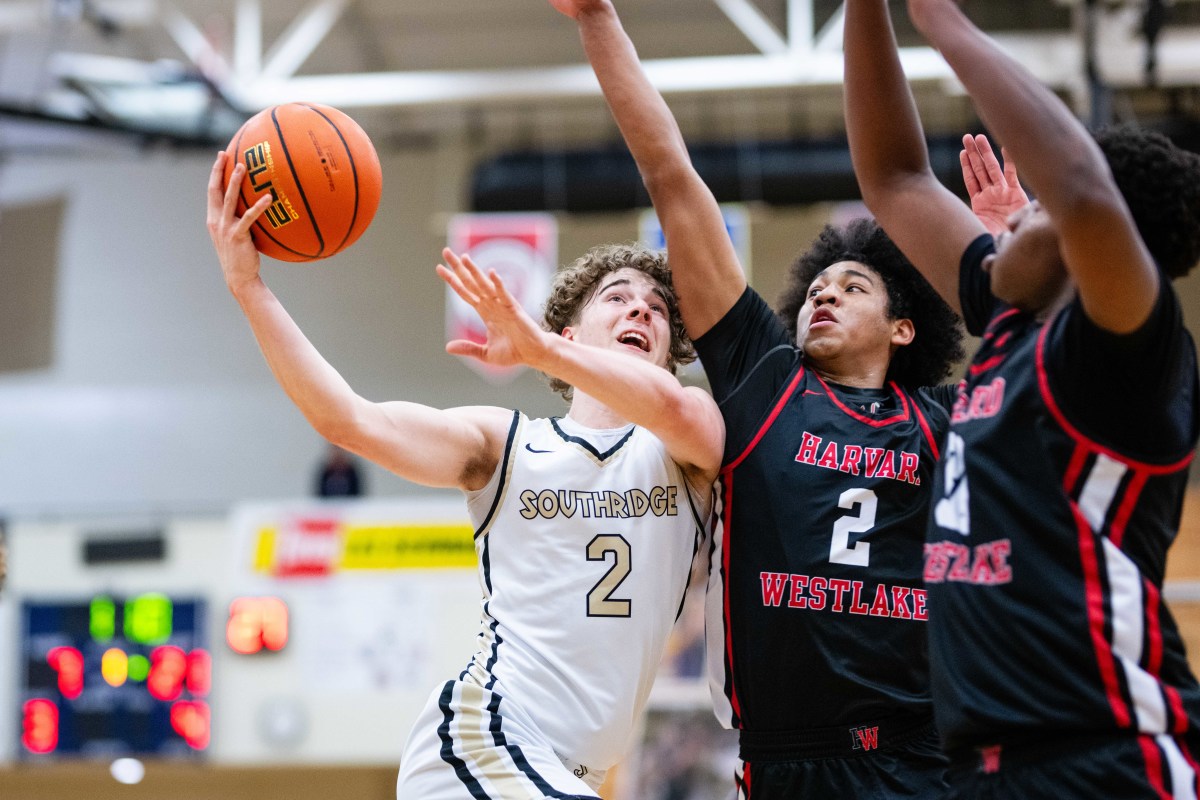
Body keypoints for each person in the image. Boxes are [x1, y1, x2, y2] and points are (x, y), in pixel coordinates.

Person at [206, 153, 724, 798]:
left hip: (571, 772)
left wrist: (540, 348)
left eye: (656, 309)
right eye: (616, 299)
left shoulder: (688, 438)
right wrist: (248, 288)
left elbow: (679, 410)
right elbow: (348, 422)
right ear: (570, 332)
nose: (640, 312)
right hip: (482, 739)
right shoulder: (506, 445)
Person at [551, 2, 966, 797]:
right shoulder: (764, 380)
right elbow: (672, 176)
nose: (823, 296)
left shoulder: (942, 422)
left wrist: (1004, 246)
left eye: (853, 286)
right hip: (782, 758)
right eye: (816, 285)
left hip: (920, 755)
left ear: (905, 328)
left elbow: (1049, 363)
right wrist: (598, 21)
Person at [844, 0, 1200, 796]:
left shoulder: (1127, 354)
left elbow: (1080, 186)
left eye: (1034, 212)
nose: (1002, 225)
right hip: (980, 765)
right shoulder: (1015, 318)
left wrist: (940, 20)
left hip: (1105, 756)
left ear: (1089, 242)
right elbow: (893, 177)